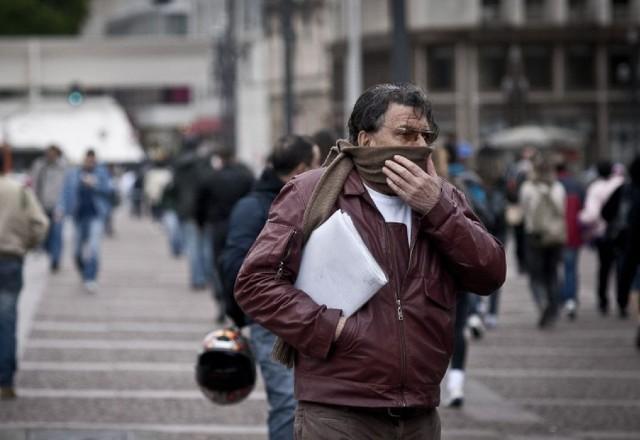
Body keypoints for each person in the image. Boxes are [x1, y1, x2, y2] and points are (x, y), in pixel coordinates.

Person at [234, 83, 506, 439]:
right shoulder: (311, 192)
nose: (421, 145)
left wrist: (437, 210)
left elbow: (489, 273)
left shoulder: (445, 196)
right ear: (365, 140)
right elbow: (255, 283)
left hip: (420, 413)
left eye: (426, 135)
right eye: (406, 134)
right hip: (339, 411)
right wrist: (332, 329)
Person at [220, 134, 320, 440]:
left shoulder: (311, 200)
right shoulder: (254, 207)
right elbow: (233, 267)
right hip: (272, 320)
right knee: (288, 404)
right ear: (302, 168)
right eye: (318, 164)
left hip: (312, 317)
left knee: (311, 405)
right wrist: (242, 315)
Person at [0, 152, 49, 399]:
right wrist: (26, 244)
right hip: (10, 258)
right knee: (7, 322)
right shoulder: (18, 191)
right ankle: (5, 381)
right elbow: (41, 224)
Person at [195, 144, 254, 321]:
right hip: (241, 225)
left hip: (218, 226)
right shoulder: (246, 178)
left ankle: (222, 301)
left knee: (218, 266)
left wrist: (201, 223)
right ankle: (239, 302)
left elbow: (200, 204)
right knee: (241, 264)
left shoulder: (211, 178)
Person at [519, 154, 566, 328]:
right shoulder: (558, 187)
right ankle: (553, 309)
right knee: (552, 274)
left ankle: (542, 303)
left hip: (534, 236)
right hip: (555, 236)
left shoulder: (527, 188)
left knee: (535, 276)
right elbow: (562, 210)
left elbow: (524, 210)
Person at [60, 149, 113, 294]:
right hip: (78, 216)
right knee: (76, 251)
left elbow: (110, 190)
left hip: (96, 215)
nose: (90, 162)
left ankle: (91, 277)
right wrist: (61, 208)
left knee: (93, 248)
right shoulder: (74, 173)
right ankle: (84, 273)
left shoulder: (101, 173)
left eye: (92, 160)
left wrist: (94, 184)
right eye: (87, 160)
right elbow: (65, 192)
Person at [578, 160, 625, 316]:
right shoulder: (621, 183)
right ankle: (621, 301)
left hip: (602, 233)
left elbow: (591, 214)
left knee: (604, 268)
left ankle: (603, 300)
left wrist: (581, 218)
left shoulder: (595, 188)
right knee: (621, 268)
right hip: (622, 233)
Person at [30, 145, 67, 272]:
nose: (50, 156)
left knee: (57, 234)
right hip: (41, 205)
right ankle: (48, 252)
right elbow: (34, 183)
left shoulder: (63, 167)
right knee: (44, 234)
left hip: (57, 206)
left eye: (53, 153)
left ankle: (55, 260)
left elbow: (66, 188)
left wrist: (63, 205)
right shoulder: (39, 165)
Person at [556, 161, 584, 320]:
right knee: (571, 269)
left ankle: (560, 298)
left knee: (554, 269)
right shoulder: (577, 185)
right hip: (573, 233)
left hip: (555, 234)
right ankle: (571, 300)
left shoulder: (553, 185)